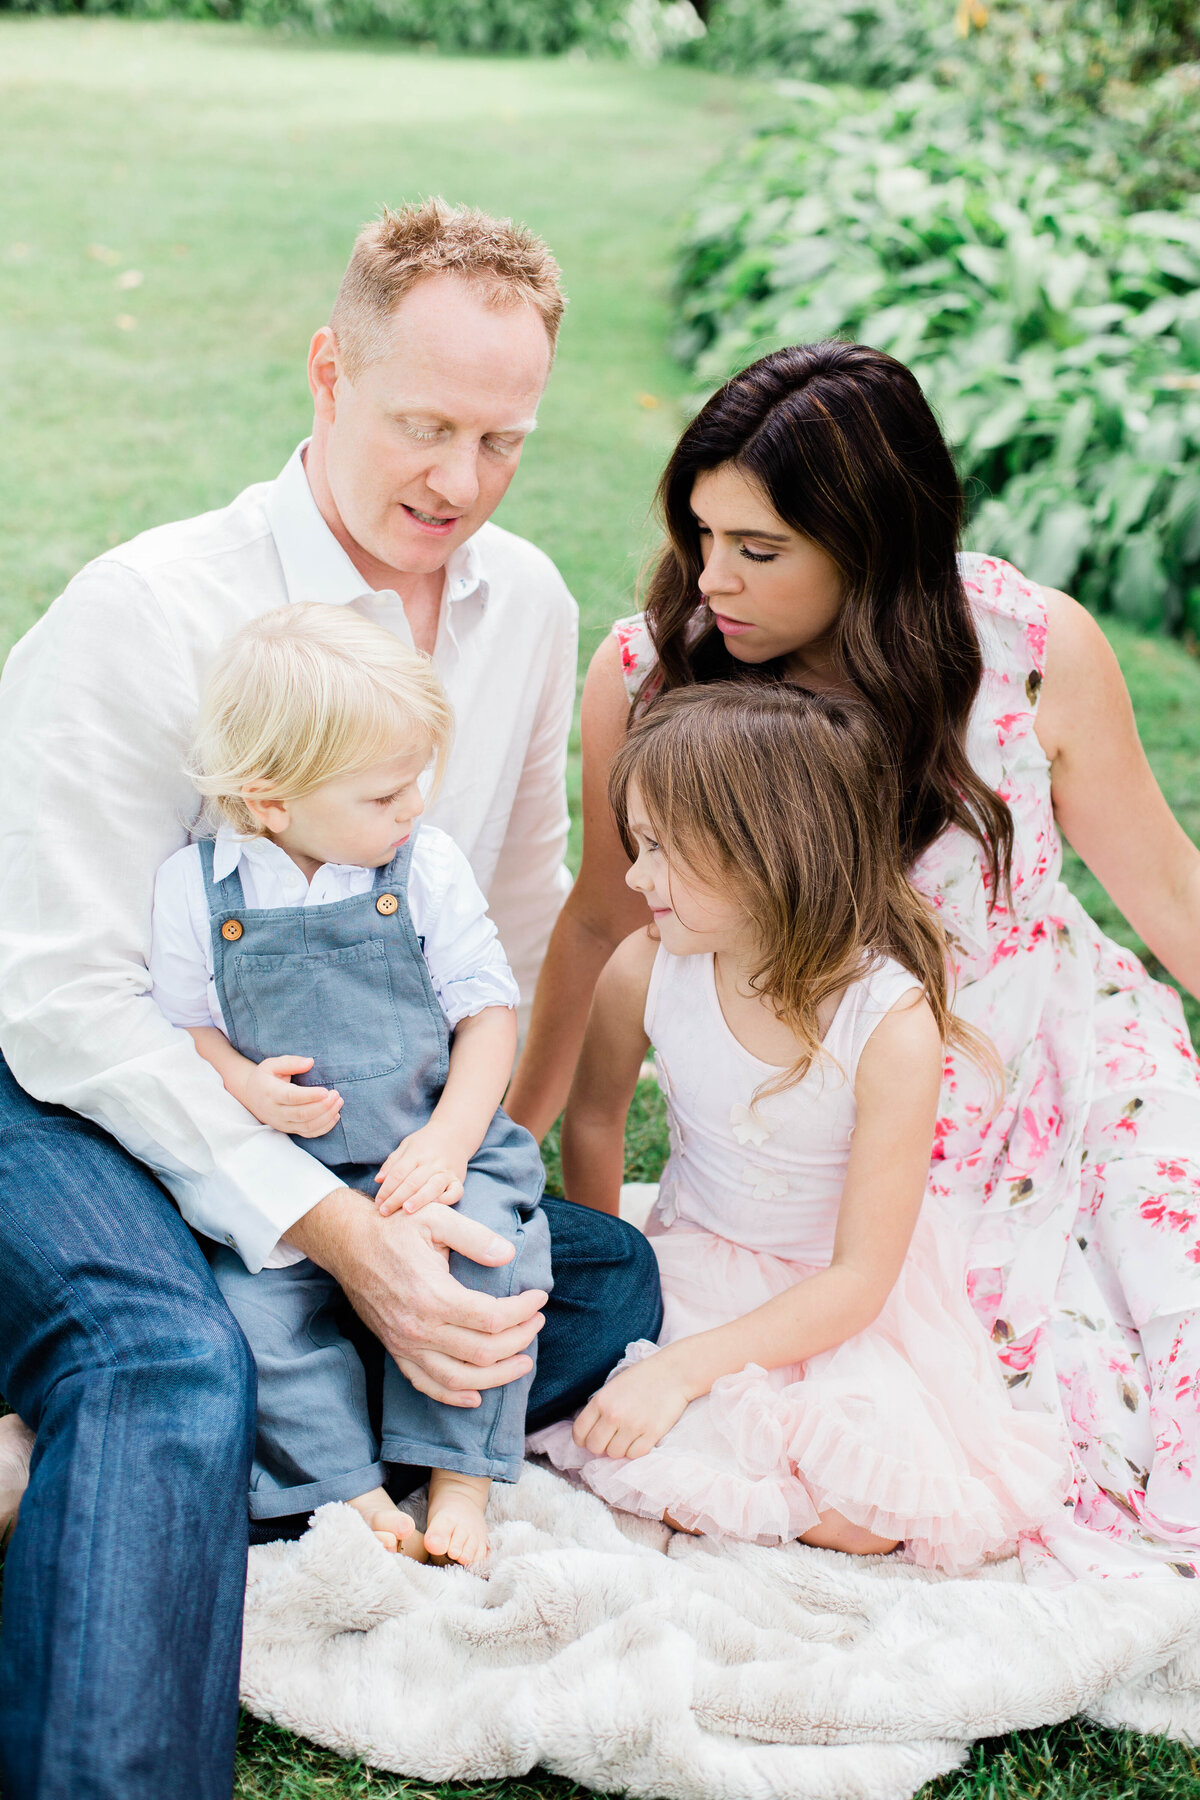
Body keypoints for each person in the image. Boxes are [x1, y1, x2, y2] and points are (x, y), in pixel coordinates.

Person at [0, 199, 660, 1800]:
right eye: (423, 426)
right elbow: (64, 1004)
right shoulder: (144, 612)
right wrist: (333, 1230)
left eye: (503, 439)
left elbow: (504, 914)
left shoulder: (526, 606)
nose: (459, 480)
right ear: (326, 373)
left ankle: (70, 1460)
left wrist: (435, 1186)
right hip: (76, 1091)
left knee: (598, 1284)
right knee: (168, 1364)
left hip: (357, 1129)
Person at [507, 339, 1200, 1581]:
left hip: (1041, 1054)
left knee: (1151, 1351)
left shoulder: (1031, 648)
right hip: (819, 1124)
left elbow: (1167, 891)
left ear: (875, 542)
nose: (712, 576)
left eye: (758, 550)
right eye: (701, 532)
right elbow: (609, 922)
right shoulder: (650, 672)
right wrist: (508, 1156)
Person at [530, 683, 1067, 1570]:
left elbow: (860, 1278)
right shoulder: (646, 968)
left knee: (866, 1505)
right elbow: (593, 1122)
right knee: (617, 1424)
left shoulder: (886, 1024)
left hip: (831, 1297)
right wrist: (617, 1283)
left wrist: (680, 1367)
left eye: (661, 849)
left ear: (767, 855)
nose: (634, 876)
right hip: (695, 1252)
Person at [151, 604, 550, 1568]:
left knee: (490, 1263)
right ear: (271, 798)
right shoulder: (198, 891)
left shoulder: (423, 868)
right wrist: (245, 1082)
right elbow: (184, 1032)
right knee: (252, 1318)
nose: (412, 806)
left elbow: (487, 1014)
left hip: (426, 1143)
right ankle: (348, 1488)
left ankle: (459, 1475)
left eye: (418, 780)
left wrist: (451, 1141)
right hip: (293, 1185)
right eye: (384, 794)